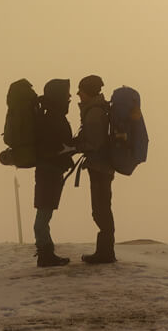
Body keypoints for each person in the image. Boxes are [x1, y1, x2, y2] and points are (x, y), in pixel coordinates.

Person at [32, 78, 76, 267]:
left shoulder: (48, 116)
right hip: (49, 171)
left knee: (44, 211)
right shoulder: (53, 119)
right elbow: (55, 146)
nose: (69, 98)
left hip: (47, 170)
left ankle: (46, 253)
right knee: (44, 214)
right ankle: (45, 254)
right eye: (66, 94)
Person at [75, 74, 116, 264]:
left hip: (99, 166)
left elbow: (94, 142)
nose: (77, 94)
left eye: (80, 90)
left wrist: (76, 146)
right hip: (102, 166)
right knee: (102, 208)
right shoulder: (97, 110)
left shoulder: (94, 113)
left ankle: (105, 253)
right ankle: (105, 251)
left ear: (88, 92)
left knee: (100, 209)